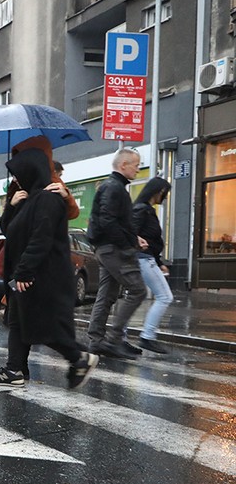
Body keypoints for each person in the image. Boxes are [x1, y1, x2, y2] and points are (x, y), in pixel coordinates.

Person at [0, 148, 98, 387]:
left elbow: (40, 238)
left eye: (18, 173)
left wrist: (25, 270)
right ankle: (15, 368)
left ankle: (78, 357)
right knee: (17, 319)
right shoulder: (27, 198)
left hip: (41, 274)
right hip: (24, 271)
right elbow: (9, 230)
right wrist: (12, 206)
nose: (15, 179)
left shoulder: (48, 198)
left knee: (40, 325)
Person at [86, 148, 147, 360]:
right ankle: (113, 340)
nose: (138, 170)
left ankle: (97, 341)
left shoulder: (113, 186)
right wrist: (127, 245)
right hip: (114, 250)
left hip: (107, 248)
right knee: (138, 290)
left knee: (107, 294)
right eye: (136, 165)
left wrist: (134, 238)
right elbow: (107, 220)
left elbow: (114, 221)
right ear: (123, 165)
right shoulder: (114, 187)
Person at [132, 177, 172, 354]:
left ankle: (121, 336)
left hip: (146, 259)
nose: (165, 196)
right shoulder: (142, 210)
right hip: (143, 259)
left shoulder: (146, 210)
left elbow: (150, 239)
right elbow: (130, 231)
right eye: (165, 192)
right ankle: (147, 337)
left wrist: (159, 262)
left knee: (134, 297)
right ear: (159, 191)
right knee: (165, 296)